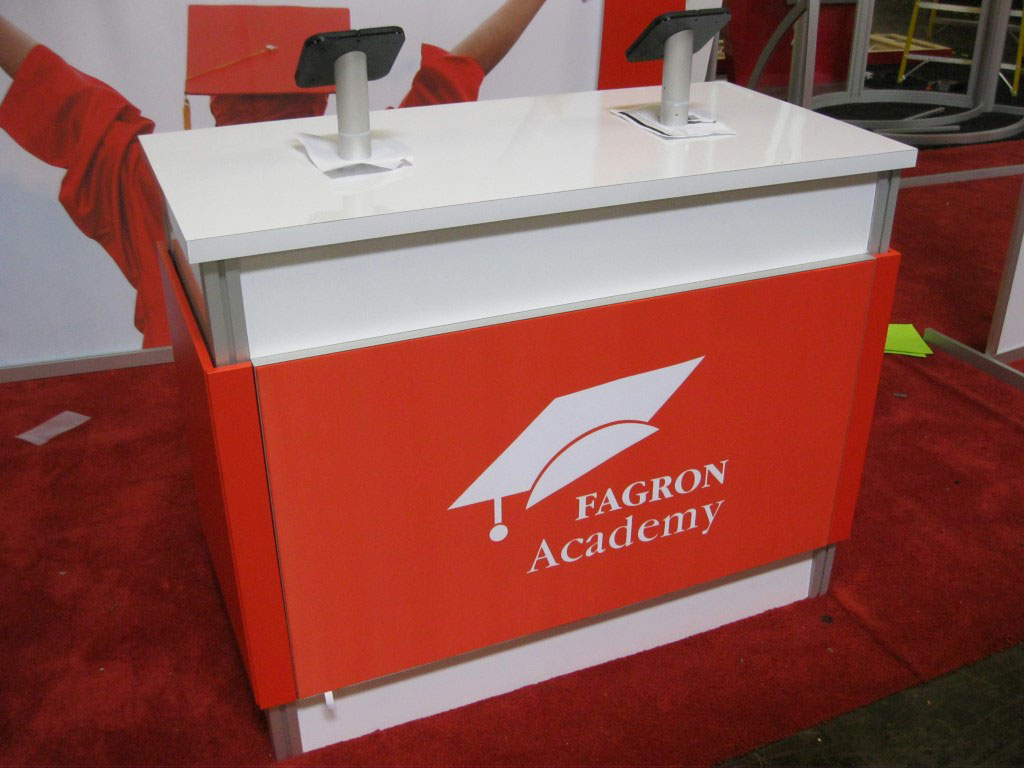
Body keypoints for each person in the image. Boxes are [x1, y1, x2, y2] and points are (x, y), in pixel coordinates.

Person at [0, 1, 549, 347]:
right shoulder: (373, 164)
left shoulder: (159, 182)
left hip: (194, 408)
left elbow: (63, 95)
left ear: (215, 97)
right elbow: (456, 73)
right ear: (325, 88)